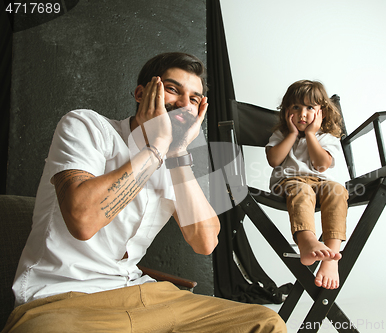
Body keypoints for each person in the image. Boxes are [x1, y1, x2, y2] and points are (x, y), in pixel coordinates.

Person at [2, 52, 286, 332]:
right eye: (173, 90)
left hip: (142, 293)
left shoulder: (179, 161)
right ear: (141, 93)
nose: (185, 104)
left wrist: (175, 154)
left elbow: (205, 242)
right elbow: (83, 220)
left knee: (266, 323)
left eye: (195, 98)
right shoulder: (87, 126)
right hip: (62, 298)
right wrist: (155, 148)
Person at [266, 80, 348, 290]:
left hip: (320, 183)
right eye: (296, 107)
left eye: (310, 107)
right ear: (286, 111)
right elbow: (274, 160)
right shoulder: (281, 136)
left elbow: (321, 166)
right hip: (289, 183)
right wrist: (293, 134)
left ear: (322, 112)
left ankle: (331, 260)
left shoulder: (327, 138)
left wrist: (311, 134)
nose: (302, 114)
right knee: (301, 189)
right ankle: (306, 241)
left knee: (337, 189)